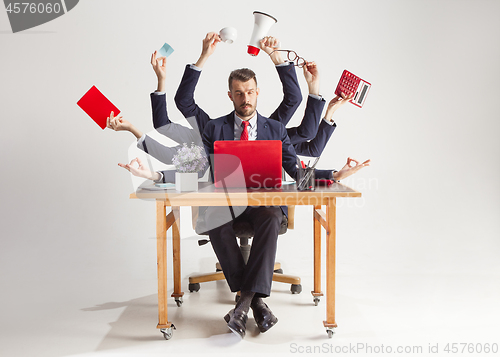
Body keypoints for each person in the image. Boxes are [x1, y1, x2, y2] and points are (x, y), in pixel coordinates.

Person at [199, 67, 370, 339]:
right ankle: (255, 303)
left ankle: (243, 304)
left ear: (258, 93)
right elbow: (205, 170)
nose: (246, 99)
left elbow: (295, 171)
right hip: (227, 204)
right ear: (230, 95)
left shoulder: (275, 129)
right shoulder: (213, 127)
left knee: (270, 217)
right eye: (240, 93)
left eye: (251, 92)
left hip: (263, 205)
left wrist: (334, 174)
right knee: (214, 220)